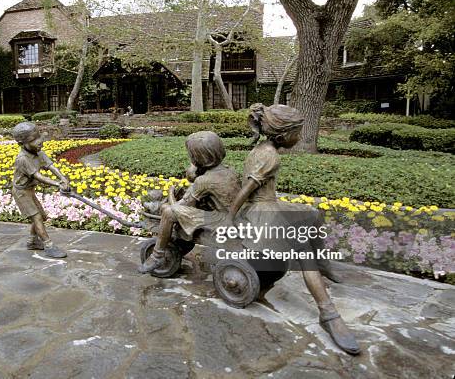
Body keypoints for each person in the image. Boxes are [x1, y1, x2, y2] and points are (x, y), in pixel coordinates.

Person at [227, 103, 360, 355]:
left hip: (270, 204)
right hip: (262, 213)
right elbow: (246, 191)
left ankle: (323, 264)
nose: (300, 137)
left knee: (312, 214)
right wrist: (230, 217)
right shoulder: (270, 156)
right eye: (297, 132)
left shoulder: (264, 148)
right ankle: (327, 312)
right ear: (282, 136)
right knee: (302, 248)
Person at [138, 131, 241, 273]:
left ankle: (157, 255)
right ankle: (158, 206)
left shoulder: (204, 181)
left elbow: (180, 208)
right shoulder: (230, 171)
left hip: (221, 219)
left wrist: (170, 193)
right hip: (236, 214)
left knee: (169, 212)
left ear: (198, 157)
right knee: (188, 196)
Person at [11, 122, 70, 258]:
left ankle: (32, 241)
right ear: (22, 143)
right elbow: (38, 176)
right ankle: (48, 245)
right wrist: (57, 184)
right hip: (21, 192)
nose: (39, 142)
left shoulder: (39, 152)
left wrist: (63, 178)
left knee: (41, 216)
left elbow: (50, 166)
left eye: (38, 137)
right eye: (33, 140)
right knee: (37, 217)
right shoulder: (22, 159)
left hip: (29, 189)